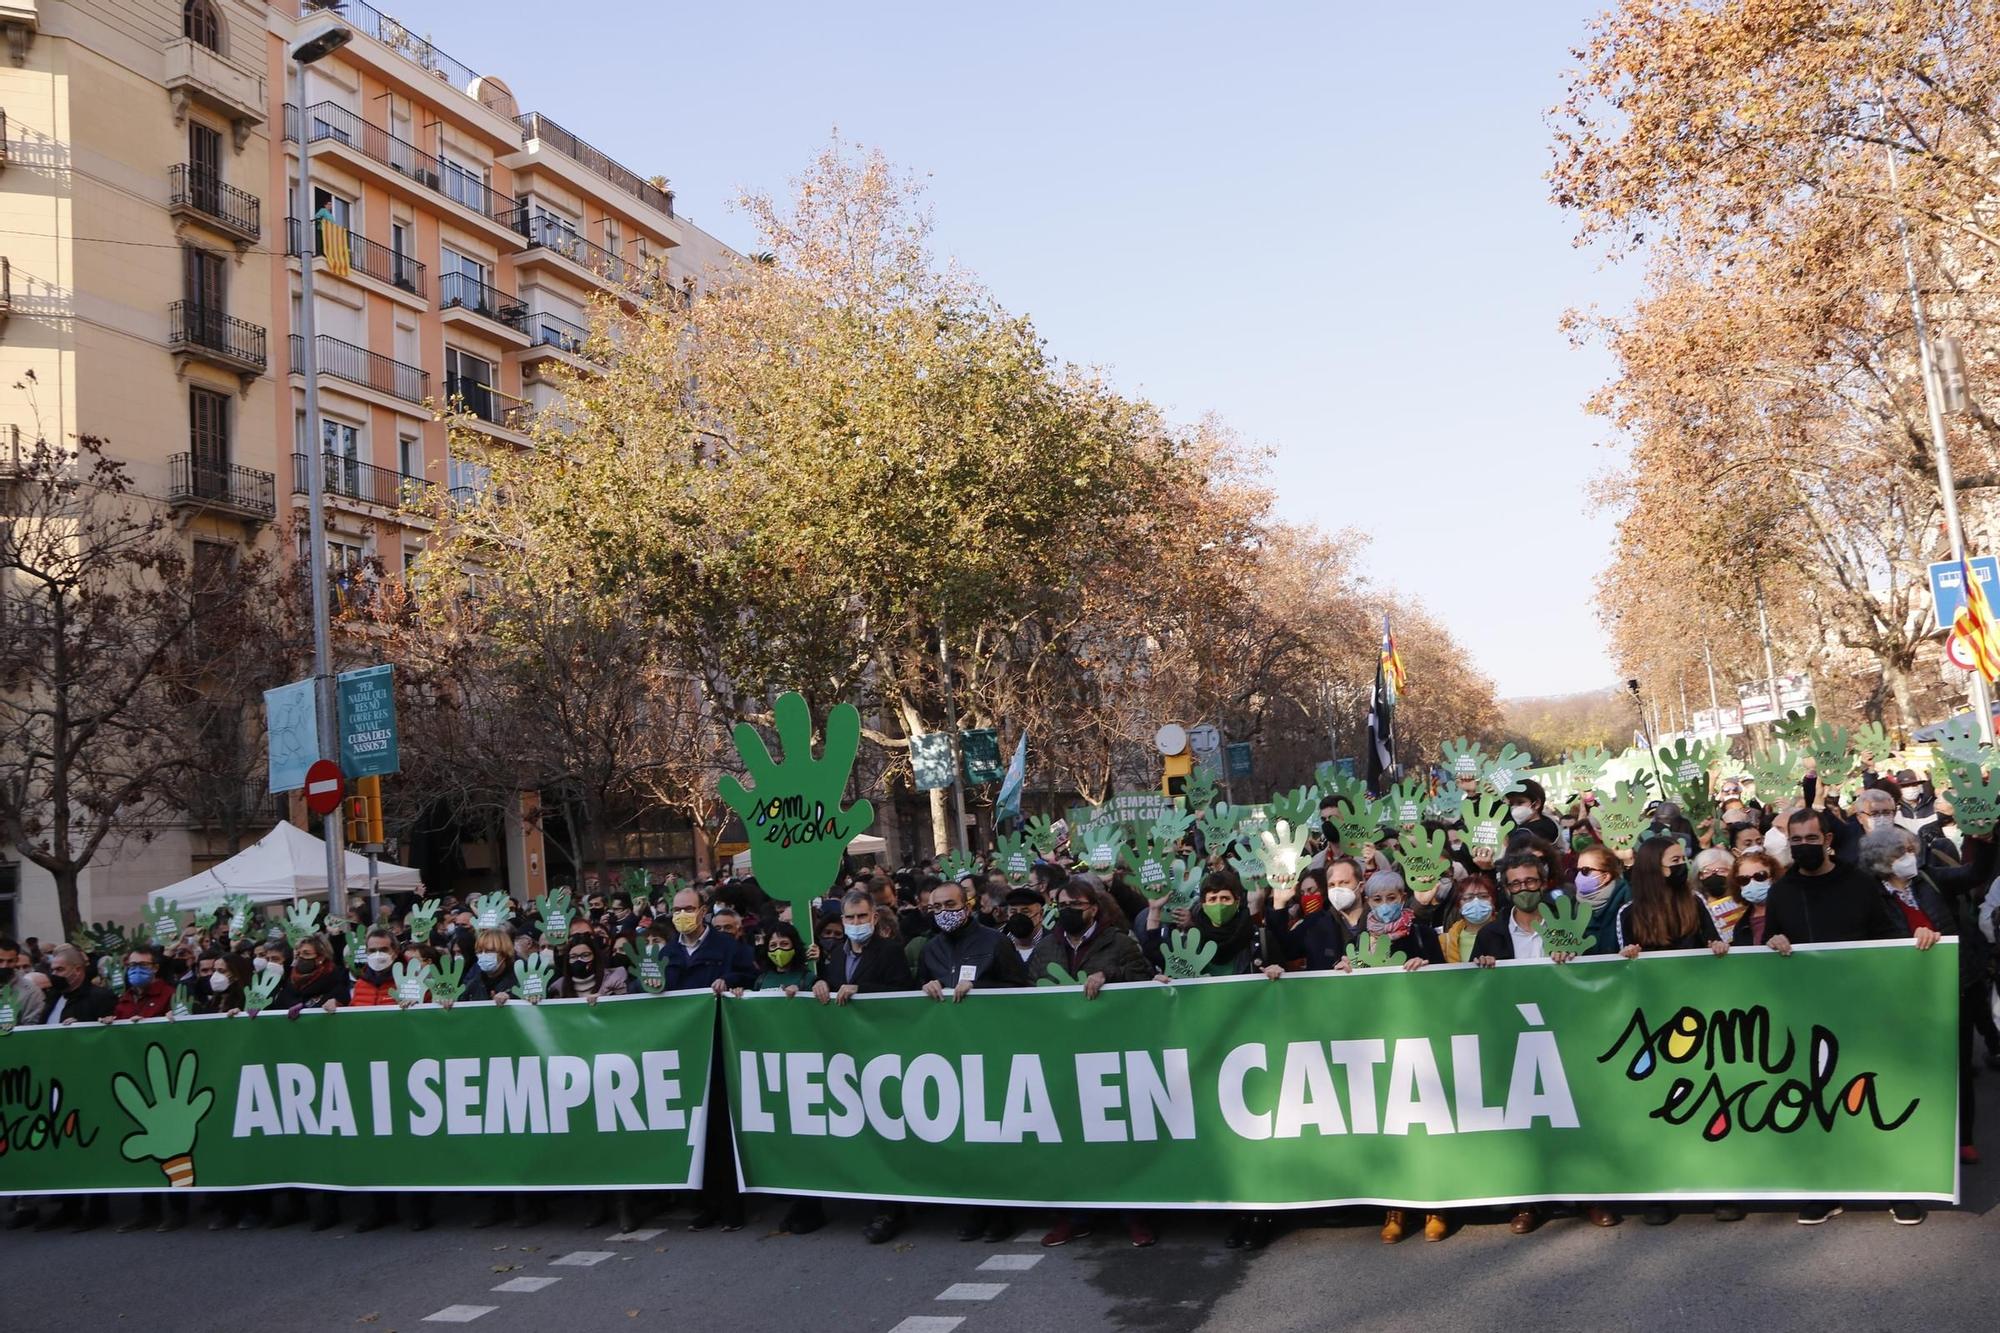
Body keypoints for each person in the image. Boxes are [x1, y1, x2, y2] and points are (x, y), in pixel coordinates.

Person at [1762, 808, 1914, 1225]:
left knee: (1874, 1098)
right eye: (1796, 840)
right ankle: (1824, 1190)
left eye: (1812, 839)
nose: (1804, 847)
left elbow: (1889, 939)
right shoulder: (1781, 892)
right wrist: (1774, 941)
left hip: (1863, 1007)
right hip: (1808, 1016)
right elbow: (1770, 944)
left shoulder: (1860, 884)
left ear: (1827, 839)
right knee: (1818, 1104)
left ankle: (1897, 1187)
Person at [1027, 879, 1160, 1249]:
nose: (1067, 908)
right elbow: (1026, 991)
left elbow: (1144, 978)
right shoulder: (1047, 947)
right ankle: (1075, 1217)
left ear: (1093, 907)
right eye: (1061, 902)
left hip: (1111, 1052)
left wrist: (1109, 976)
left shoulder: (1118, 942)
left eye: (1074, 903)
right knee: (1071, 1141)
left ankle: (1134, 1215)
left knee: (1118, 1139)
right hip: (1062, 1056)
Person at [43, 945, 115, 1024]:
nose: (54, 974)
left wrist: (80, 1027)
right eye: (52, 970)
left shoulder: (100, 997)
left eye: (60, 969)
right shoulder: (53, 997)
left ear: (77, 970)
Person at [1439, 873, 1498, 963]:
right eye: (1468, 898)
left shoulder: (1507, 933)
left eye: (1483, 896)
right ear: (1459, 905)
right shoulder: (1445, 942)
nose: (1476, 902)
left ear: (1493, 901)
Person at [1728, 850, 1783, 946]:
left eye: (1760, 876)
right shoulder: (1741, 925)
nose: (1752, 883)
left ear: (1773, 877)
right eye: (1744, 879)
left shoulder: (1793, 911)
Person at [111, 944, 175, 1020]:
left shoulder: (170, 994)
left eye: (143, 964)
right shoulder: (124, 998)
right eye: (132, 965)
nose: (137, 969)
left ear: (155, 968)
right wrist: (108, 1024)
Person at [1692, 847, 1743, 938]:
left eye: (1721, 871)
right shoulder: (1694, 905)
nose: (1714, 875)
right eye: (1706, 871)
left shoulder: (1744, 899)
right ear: (1699, 875)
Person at [344, 928, 402, 1007]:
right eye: (372, 951)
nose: (377, 955)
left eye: (383, 950)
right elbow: (352, 1015)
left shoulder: (408, 982)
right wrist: (336, 1007)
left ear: (396, 952)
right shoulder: (360, 984)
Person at [0, 936, 48, 1027]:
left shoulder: (31, 992)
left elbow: (32, 1029)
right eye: (0, 961)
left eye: (10, 961)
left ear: (16, 960)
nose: (4, 966)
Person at [754, 922, 814, 992]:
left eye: (784, 944)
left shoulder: (808, 978)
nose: (778, 949)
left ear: (794, 946)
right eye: (773, 945)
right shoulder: (761, 980)